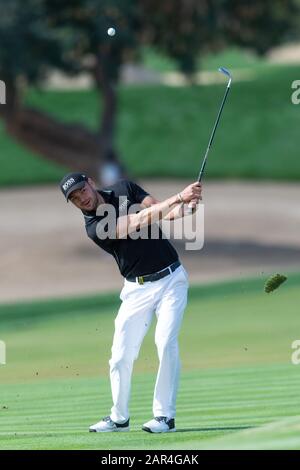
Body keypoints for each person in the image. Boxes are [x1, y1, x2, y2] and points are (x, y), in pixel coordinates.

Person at [59, 172, 202, 433]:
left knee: (165, 341)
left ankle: (164, 417)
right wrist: (180, 196)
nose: (82, 198)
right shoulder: (94, 227)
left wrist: (184, 210)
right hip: (136, 290)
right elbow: (139, 219)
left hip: (172, 280)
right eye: (75, 198)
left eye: (82, 190)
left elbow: (157, 210)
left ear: (90, 182)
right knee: (120, 356)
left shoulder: (125, 188)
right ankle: (119, 417)